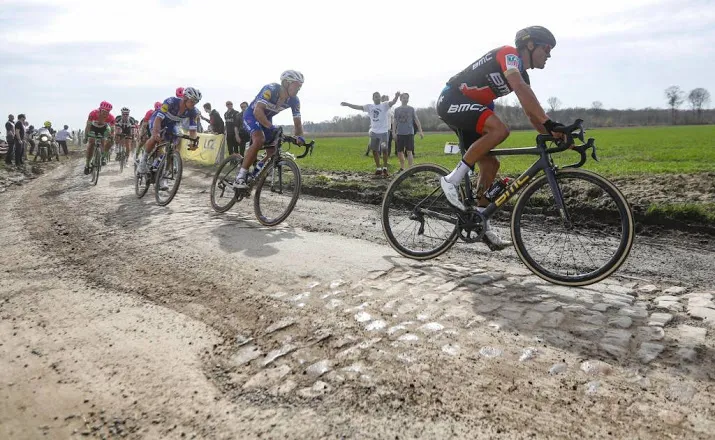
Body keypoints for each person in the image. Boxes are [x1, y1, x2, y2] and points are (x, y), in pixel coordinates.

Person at [436, 25, 566, 250]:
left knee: (491, 165)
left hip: (473, 105)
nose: (549, 55)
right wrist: (549, 122)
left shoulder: (521, 74)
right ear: (530, 44)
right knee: (500, 130)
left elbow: (530, 113)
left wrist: (554, 135)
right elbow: (520, 89)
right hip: (452, 99)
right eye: (547, 49)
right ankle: (451, 180)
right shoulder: (509, 55)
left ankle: (479, 220)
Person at [233, 70, 306, 189]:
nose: (299, 88)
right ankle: (240, 177)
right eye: (297, 85)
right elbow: (258, 111)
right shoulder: (271, 89)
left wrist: (300, 137)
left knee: (272, 150)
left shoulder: (294, 100)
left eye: (300, 86)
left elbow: (297, 123)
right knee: (259, 139)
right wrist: (271, 127)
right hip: (252, 115)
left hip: (266, 118)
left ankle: (254, 174)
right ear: (287, 83)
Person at [138, 87, 201, 189]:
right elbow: (158, 119)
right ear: (185, 98)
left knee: (172, 149)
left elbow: (193, 130)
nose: (194, 104)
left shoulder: (193, 111)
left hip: (172, 124)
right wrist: (155, 133)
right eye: (192, 101)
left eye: (196, 102)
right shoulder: (170, 102)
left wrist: (193, 141)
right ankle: (144, 160)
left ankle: (164, 177)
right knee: (155, 138)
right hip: (158, 120)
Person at [341, 91, 399, 177]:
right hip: (374, 133)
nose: (377, 97)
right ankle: (378, 168)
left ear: (380, 97)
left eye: (378, 96)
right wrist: (348, 104)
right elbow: (358, 107)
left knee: (384, 150)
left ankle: (385, 168)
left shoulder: (385, 105)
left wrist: (396, 96)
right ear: (373, 98)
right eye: (375, 96)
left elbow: (393, 102)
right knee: (375, 151)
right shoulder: (369, 107)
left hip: (383, 133)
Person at [392, 93, 424, 172]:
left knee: (409, 151)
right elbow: (395, 121)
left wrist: (420, 131)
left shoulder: (411, 109)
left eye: (407, 98)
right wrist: (393, 132)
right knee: (400, 152)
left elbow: (416, 120)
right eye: (404, 98)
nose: (405, 99)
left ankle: (410, 169)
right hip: (399, 133)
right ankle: (402, 168)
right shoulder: (397, 110)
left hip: (409, 133)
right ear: (400, 99)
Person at [83, 101, 115, 174]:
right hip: (93, 128)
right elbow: (88, 126)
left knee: (107, 141)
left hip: (103, 129)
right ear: (100, 109)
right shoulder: (93, 113)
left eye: (107, 112)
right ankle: (87, 164)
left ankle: (103, 156)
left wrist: (111, 138)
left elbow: (113, 130)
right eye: (104, 111)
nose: (105, 114)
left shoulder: (111, 117)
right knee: (91, 143)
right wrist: (85, 137)